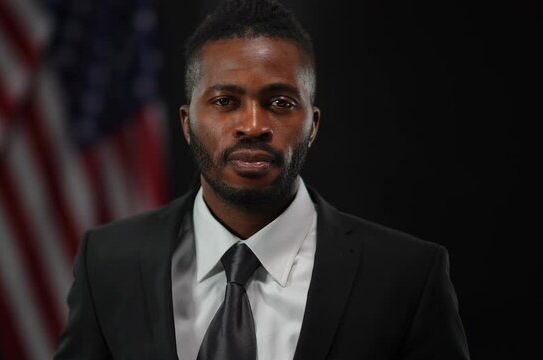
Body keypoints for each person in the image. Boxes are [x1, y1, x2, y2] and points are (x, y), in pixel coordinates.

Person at [55, 0, 470, 359]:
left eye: (280, 102)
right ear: (187, 123)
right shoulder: (107, 263)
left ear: (313, 124)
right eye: (225, 102)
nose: (252, 125)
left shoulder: (408, 277)